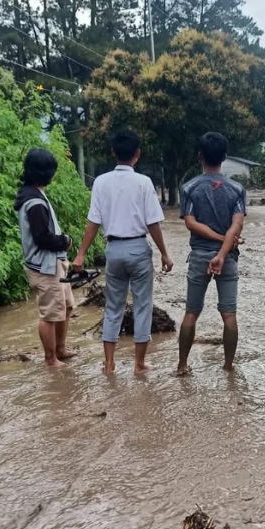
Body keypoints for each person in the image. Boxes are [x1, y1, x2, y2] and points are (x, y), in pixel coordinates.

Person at [73, 130, 173, 376]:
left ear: (112, 153)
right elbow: (153, 224)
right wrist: (164, 253)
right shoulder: (144, 182)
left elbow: (93, 222)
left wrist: (81, 253)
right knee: (142, 307)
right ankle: (139, 364)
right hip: (138, 249)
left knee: (113, 308)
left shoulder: (100, 182)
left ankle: (109, 364)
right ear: (138, 154)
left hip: (113, 250)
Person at [177, 132, 246, 375]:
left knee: (191, 312)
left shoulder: (189, 188)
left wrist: (217, 243)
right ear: (224, 157)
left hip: (199, 256)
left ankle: (182, 366)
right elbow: (237, 226)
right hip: (228, 257)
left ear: (199, 156)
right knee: (229, 314)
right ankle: (228, 367)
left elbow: (191, 223)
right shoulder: (236, 189)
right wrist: (224, 247)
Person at [15, 148, 76, 368]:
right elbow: (42, 238)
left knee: (66, 306)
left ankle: (60, 349)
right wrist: (65, 241)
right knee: (50, 314)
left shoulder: (33, 194)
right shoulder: (35, 202)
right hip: (45, 266)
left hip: (53, 263)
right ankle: (50, 359)